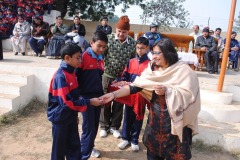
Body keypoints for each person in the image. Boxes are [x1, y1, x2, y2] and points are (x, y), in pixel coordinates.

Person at [100, 38, 200, 160]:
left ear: (168, 53)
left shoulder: (183, 70)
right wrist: (113, 95)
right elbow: (135, 86)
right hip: (156, 121)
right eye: (153, 53)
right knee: (153, 154)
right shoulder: (152, 68)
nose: (154, 57)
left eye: (158, 53)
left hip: (175, 123)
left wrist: (167, 91)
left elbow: (191, 96)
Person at [47, 43, 102, 160]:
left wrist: (74, 115)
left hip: (70, 117)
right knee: (59, 151)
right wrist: (89, 102)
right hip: (60, 119)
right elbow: (66, 102)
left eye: (80, 57)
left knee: (74, 147)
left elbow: (75, 98)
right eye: (78, 58)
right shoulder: (60, 76)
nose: (80, 61)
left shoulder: (72, 73)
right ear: (67, 58)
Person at [99, 15, 136, 138]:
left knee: (119, 102)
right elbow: (101, 55)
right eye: (119, 31)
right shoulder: (108, 39)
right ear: (116, 30)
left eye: (124, 32)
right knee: (105, 101)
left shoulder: (132, 43)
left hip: (122, 79)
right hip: (107, 76)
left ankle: (114, 126)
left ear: (127, 32)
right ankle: (104, 126)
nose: (121, 34)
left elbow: (132, 61)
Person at [76, 31, 108, 159]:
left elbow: (98, 79)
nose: (101, 49)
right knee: (88, 128)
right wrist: (79, 98)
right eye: (99, 46)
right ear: (91, 43)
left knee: (94, 126)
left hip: (97, 97)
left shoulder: (100, 59)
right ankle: (84, 155)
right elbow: (76, 78)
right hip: (86, 98)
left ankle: (90, 147)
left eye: (104, 47)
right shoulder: (83, 57)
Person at [116, 37, 150, 152]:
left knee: (138, 117)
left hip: (141, 96)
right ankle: (125, 138)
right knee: (127, 116)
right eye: (138, 48)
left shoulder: (149, 65)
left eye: (143, 48)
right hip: (130, 95)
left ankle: (134, 139)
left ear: (147, 49)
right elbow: (124, 75)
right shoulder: (131, 62)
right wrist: (122, 80)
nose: (140, 50)